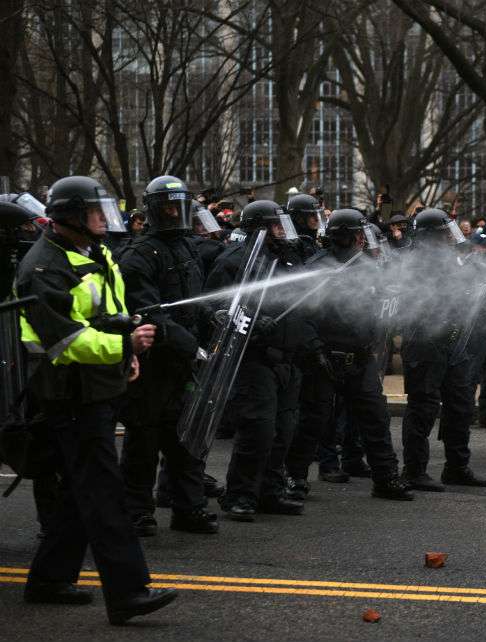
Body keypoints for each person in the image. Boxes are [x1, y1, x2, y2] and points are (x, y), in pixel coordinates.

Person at [16, 175, 177, 624]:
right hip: (68, 393)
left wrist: (127, 341)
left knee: (77, 489)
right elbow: (64, 341)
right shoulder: (43, 268)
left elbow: (109, 310)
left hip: (96, 386)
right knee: (104, 491)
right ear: (70, 217)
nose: (105, 220)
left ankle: (48, 580)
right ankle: (128, 593)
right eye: (95, 212)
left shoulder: (93, 252)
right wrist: (126, 348)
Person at [285, 208, 413, 501]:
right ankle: (295, 478)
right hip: (324, 357)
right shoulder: (318, 266)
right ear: (347, 236)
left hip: (360, 356)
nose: (361, 239)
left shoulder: (367, 266)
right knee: (313, 421)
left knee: (376, 418)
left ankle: (386, 478)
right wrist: (315, 351)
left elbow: (381, 304)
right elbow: (300, 315)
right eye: (357, 233)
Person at [118, 176, 218, 536]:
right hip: (151, 364)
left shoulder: (188, 248)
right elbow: (149, 312)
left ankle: (188, 508)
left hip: (182, 364)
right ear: (154, 211)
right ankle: (138, 511)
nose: (175, 213)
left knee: (185, 438)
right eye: (168, 207)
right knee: (143, 441)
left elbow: (196, 301)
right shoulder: (138, 255)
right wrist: (192, 345)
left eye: (180, 206)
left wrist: (214, 319)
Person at [207, 200, 307, 521]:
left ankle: (270, 491)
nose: (282, 232)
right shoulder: (233, 262)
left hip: (287, 359)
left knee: (283, 429)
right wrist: (252, 317)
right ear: (259, 228)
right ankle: (239, 494)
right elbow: (216, 308)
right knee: (258, 430)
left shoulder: (285, 260)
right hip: (254, 360)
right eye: (276, 226)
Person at [399, 208, 486, 491]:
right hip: (425, 345)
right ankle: (413, 471)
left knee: (461, 406)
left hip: (453, 343)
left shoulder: (452, 260)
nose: (451, 237)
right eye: (444, 233)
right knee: (423, 408)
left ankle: (457, 467)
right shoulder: (414, 263)